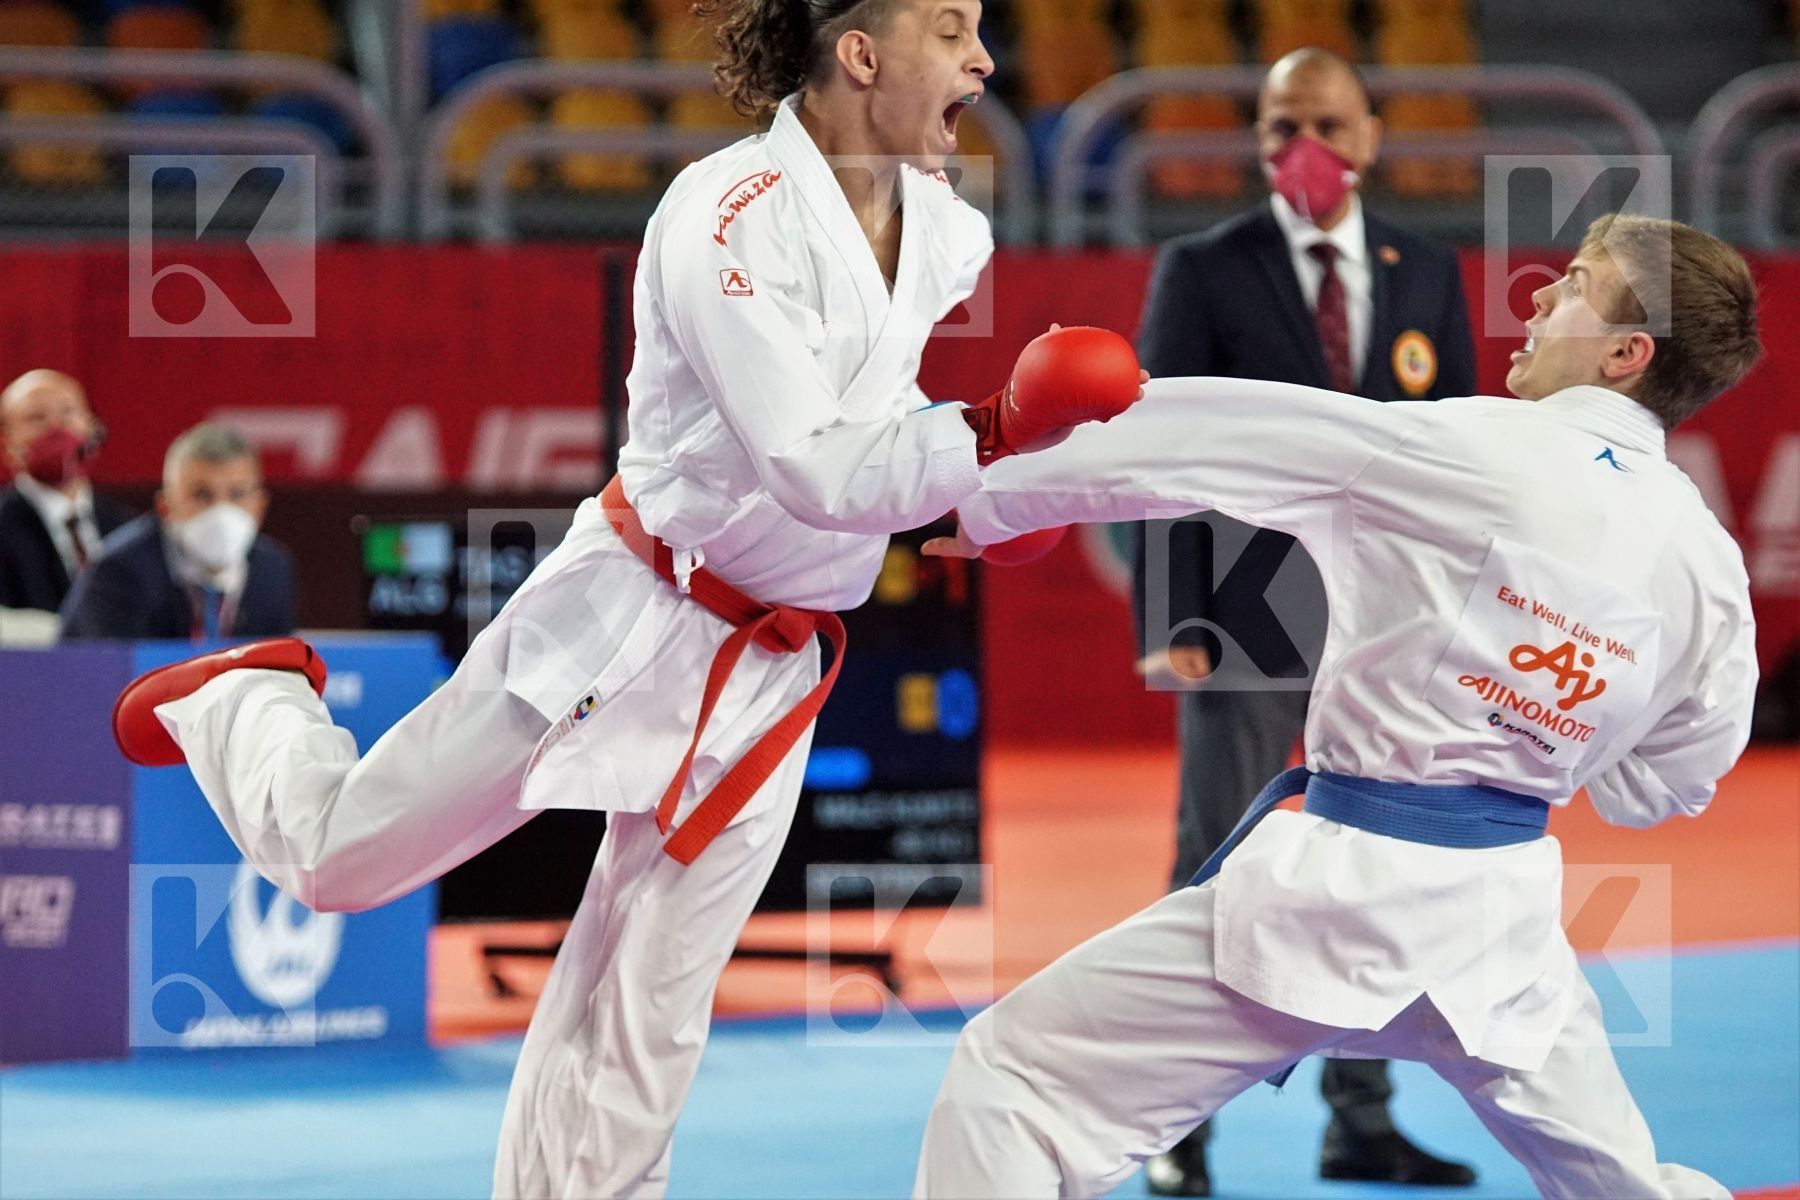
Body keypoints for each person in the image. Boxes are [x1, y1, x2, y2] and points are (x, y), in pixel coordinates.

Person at [107, 3, 1137, 1197]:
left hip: (770, 675)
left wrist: (981, 494)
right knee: (341, 860)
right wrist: (993, 437)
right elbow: (808, 459)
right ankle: (250, 702)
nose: (984, 58)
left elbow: (873, 415)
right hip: (632, 614)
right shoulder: (721, 215)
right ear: (860, 53)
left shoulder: (949, 231)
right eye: (953, 26)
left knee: (643, 1021)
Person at [914, 214, 1760, 1200]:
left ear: (1626, 352)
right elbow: (1671, 781)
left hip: (1335, 901)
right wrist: (1549, 729)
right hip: (1502, 931)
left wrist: (986, 493)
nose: (1535, 296)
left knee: (1014, 1079)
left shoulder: (1460, 444)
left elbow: (1208, 436)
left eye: (1573, 282)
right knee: (1628, 1189)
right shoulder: (1707, 565)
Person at [1130, 48, 1477, 1193]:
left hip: (1389, 625)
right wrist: (1173, 612)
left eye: (1325, 124)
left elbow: (1464, 455)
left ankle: (1360, 1117)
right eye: (1282, 127)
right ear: (1259, 141)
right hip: (1241, 613)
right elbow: (1161, 454)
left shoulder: (1423, 270)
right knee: (1215, 860)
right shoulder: (1206, 267)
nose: (1304, 150)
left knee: (1374, 869)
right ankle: (1178, 1130)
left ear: (1371, 135)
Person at [61, 422, 295, 641]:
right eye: (202, 495)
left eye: (237, 494)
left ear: (260, 506)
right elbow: (104, 672)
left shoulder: (272, 569)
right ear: (165, 506)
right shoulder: (116, 572)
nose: (221, 511)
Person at [0, 369, 133, 617]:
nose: (56, 429)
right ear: (7, 440)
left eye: (68, 413)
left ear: (93, 427)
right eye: (36, 418)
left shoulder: (128, 529)